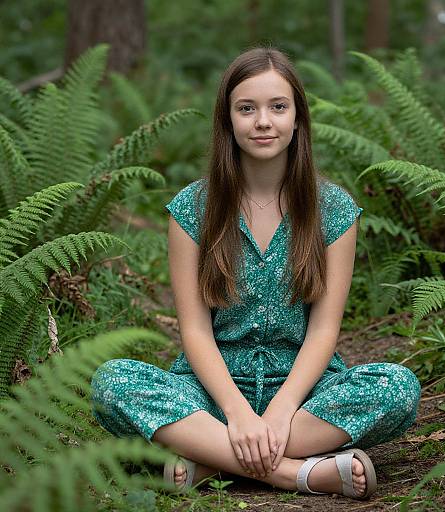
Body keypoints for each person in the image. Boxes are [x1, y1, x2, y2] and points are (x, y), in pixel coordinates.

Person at [90, 45, 421, 501]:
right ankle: (296, 474)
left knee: (398, 388)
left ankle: (206, 461)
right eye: (246, 108)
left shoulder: (334, 209)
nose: (263, 121)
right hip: (210, 393)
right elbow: (195, 330)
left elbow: (324, 332)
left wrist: (282, 409)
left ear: (297, 119)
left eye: (277, 107)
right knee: (113, 383)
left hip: (304, 393)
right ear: (227, 120)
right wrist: (238, 413)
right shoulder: (193, 208)